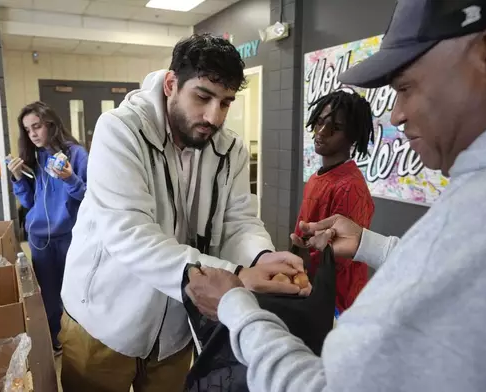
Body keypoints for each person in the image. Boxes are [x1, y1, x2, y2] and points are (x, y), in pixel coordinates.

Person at [185, 0, 486, 390]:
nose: (396, 115)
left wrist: (236, 308)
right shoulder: (482, 192)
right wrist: (369, 245)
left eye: (406, 88)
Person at [60, 34, 307, 392]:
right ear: (172, 84)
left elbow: (239, 221)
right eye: (203, 97)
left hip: (178, 327)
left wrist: (261, 258)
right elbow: (129, 233)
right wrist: (236, 275)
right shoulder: (120, 130)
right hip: (104, 319)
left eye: (225, 103)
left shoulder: (229, 148)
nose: (214, 116)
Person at [7, 101, 88, 355]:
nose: (32, 133)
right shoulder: (35, 157)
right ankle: (57, 340)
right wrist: (18, 178)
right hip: (40, 239)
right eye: (27, 129)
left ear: (51, 125)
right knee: (49, 296)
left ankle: (80, 340)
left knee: (75, 292)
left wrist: (69, 178)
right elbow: (31, 202)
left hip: (70, 237)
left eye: (37, 126)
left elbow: (91, 198)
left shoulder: (76, 155)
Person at [291, 90, 375, 313]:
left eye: (335, 128)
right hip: (312, 288)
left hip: (339, 301)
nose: (322, 132)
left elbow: (340, 259)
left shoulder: (350, 187)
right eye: (320, 122)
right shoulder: (316, 177)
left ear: (352, 136)